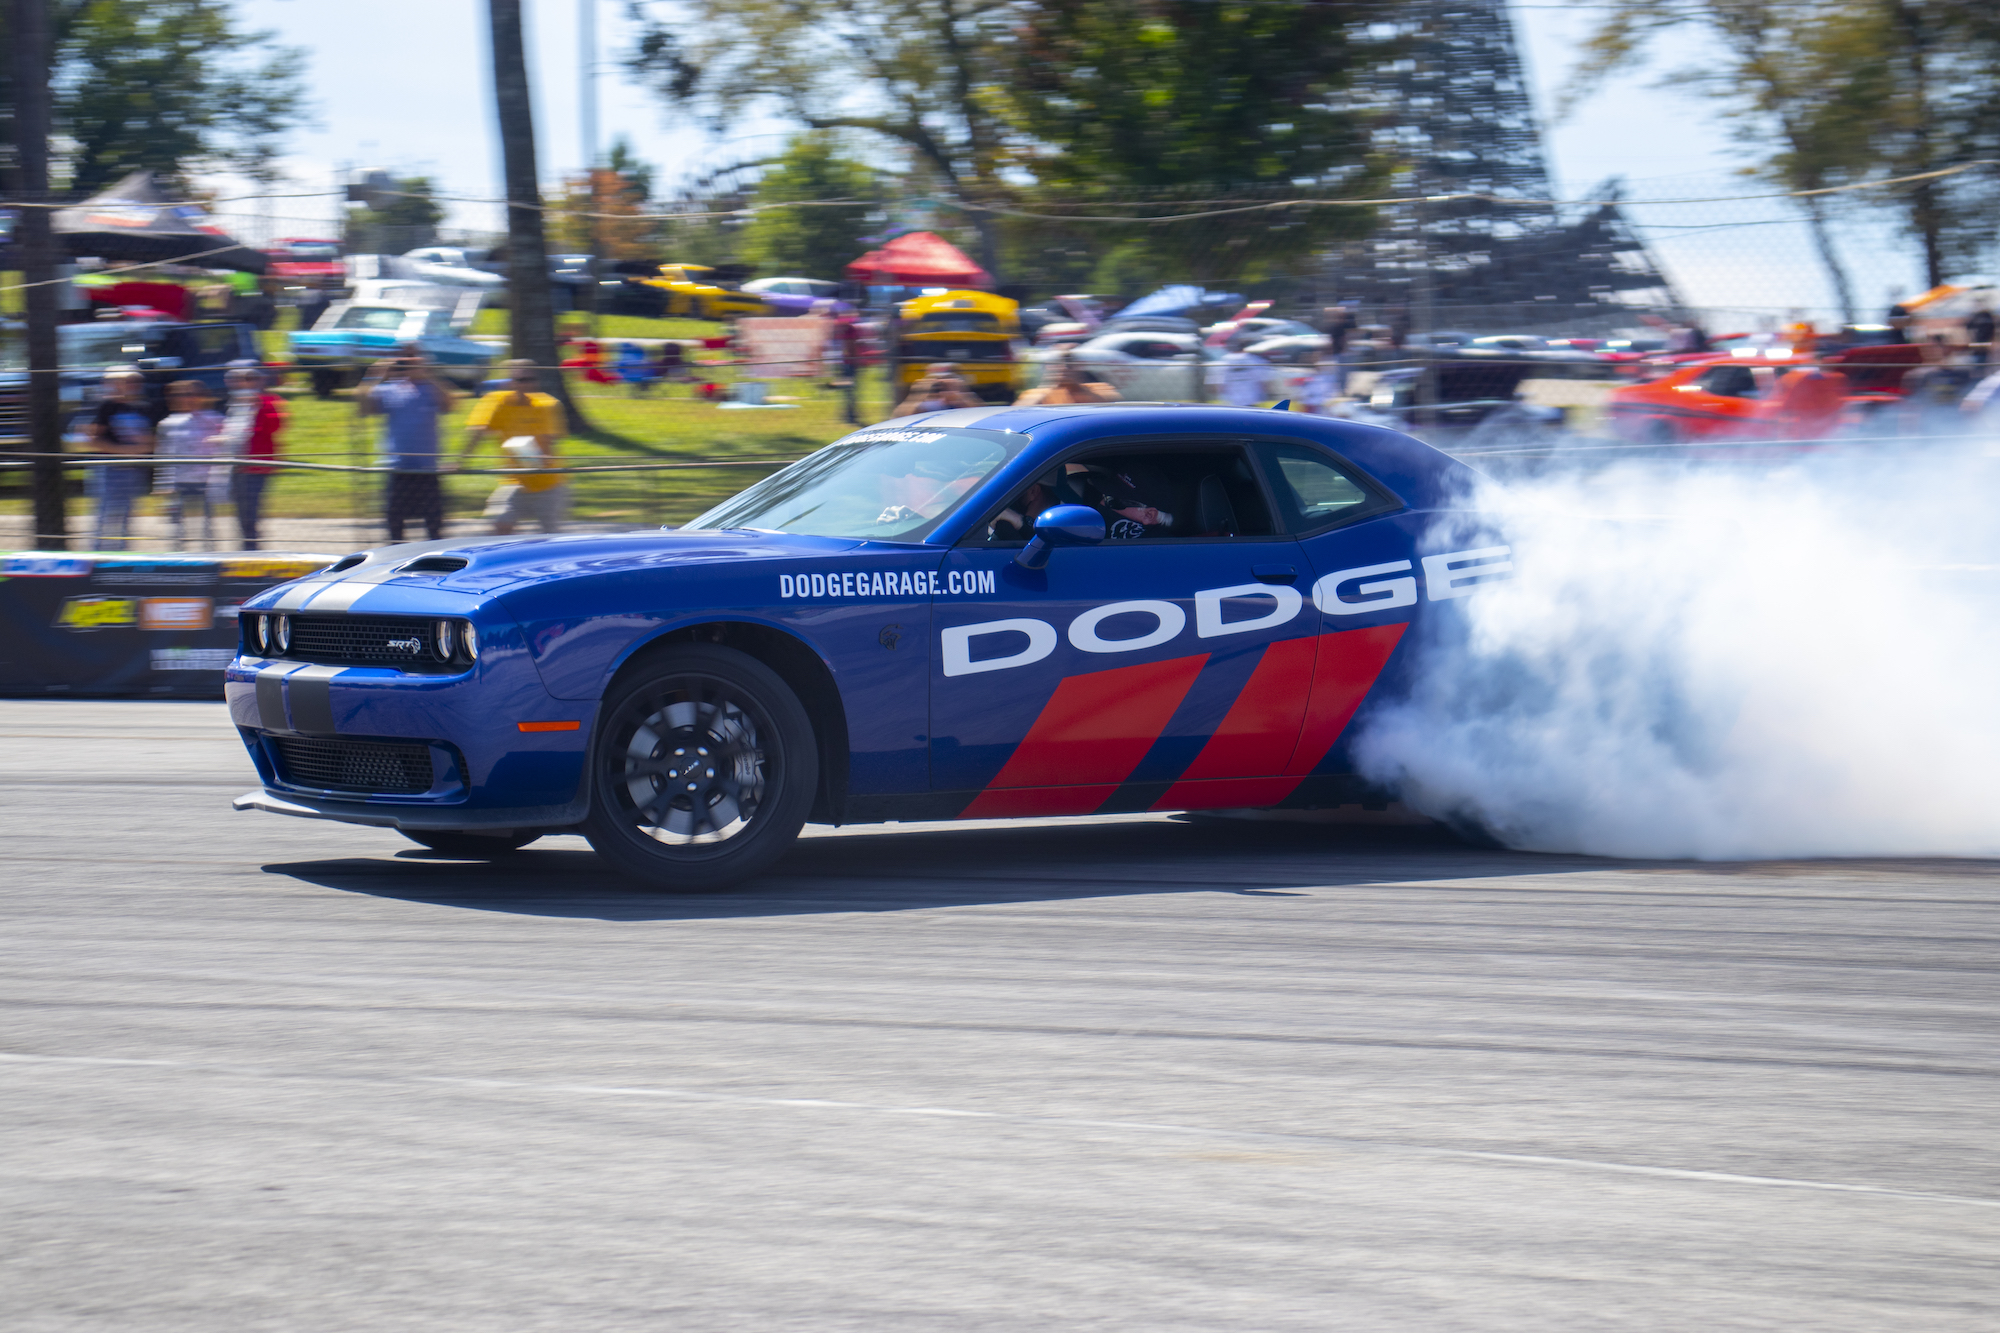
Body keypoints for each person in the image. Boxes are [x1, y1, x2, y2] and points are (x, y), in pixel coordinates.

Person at [454, 359, 567, 534]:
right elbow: (477, 432)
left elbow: (547, 445)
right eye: (519, 380)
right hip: (514, 482)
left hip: (548, 483)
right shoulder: (495, 401)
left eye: (529, 380)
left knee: (551, 536)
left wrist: (535, 460)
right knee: (501, 524)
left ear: (536, 381)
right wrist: (461, 462)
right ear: (509, 382)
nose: (524, 385)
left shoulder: (547, 405)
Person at [358, 355, 455, 543]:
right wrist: (375, 375)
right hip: (398, 468)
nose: (408, 368)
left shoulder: (430, 389)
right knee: (395, 526)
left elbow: (451, 403)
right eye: (403, 364)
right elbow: (363, 408)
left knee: (434, 527)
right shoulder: (389, 390)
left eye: (413, 363)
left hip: (427, 469)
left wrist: (429, 375)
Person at [84, 367, 160, 551]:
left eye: (136, 382)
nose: (133, 386)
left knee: (126, 514)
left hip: (133, 469)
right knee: (105, 514)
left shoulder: (145, 408)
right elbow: (94, 440)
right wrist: (123, 451)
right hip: (109, 468)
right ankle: (97, 553)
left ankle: (120, 554)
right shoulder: (107, 407)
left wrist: (144, 447)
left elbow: (152, 440)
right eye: (127, 382)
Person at [219, 363, 286, 550]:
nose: (247, 383)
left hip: (256, 465)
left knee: (251, 509)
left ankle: (252, 546)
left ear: (261, 380)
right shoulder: (236, 403)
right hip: (235, 464)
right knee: (240, 509)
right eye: (243, 379)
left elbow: (274, 426)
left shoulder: (269, 401)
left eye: (252, 378)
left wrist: (259, 405)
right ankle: (247, 543)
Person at [155, 380, 227, 550]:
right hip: (179, 481)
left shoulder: (216, 419)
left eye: (192, 394)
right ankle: (177, 556)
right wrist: (163, 484)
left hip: (206, 480)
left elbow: (224, 449)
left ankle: (209, 555)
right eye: (181, 395)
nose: (188, 399)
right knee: (176, 526)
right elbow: (163, 455)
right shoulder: (168, 423)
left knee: (207, 523)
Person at [1014, 350, 1120, 406]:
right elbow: (1021, 412)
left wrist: (1079, 387)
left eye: (1069, 366)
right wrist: (1052, 387)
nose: (1064, 370)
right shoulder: (1037, 394)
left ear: (1078, 368)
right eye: (1059, 366)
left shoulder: (1099, 389)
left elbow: (1113, 405)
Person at [889, 363, 981, 417]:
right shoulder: (923, 406)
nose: (941, 386)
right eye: (936, 381)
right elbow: (898, 419)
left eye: (948, 380)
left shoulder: (965, 402)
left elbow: (980, 416)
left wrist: (960, 396)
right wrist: (918, 395)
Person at [1217, 336, 1273, 408]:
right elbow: (1264, 383)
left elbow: (1216, 386)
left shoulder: (1222, 362)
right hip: (1252, 400)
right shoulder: (1255, 360)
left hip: (1230, 402)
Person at [1966, 301, 1995, 366]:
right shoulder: (1975, 316)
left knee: (1983, 357)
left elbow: (1992, 327)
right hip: (1978, 340)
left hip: (1985, 340)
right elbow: (1968, 326)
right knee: (1978, 357)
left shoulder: (1987, 315)